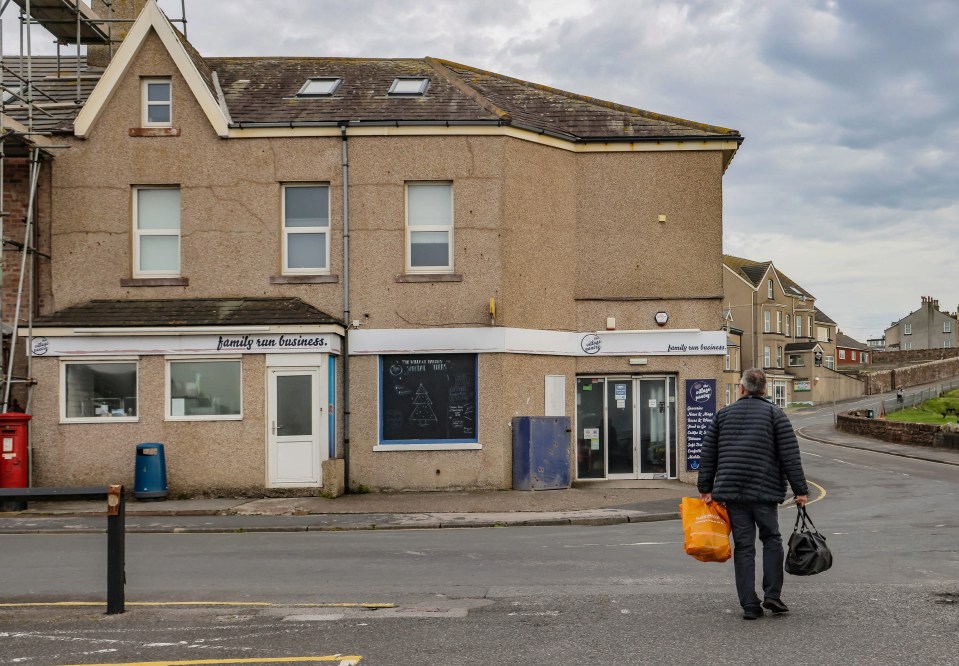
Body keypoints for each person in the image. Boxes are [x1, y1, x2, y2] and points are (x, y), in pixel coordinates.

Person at [697, 368, 809, 620]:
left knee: (744, 547)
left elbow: (708, 455)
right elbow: (790, 456)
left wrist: (705, 488)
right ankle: (772, 595)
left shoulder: (722, 416)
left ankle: (749, 604)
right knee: (771, 540)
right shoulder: (776, 415)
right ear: (765, 389)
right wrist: (800, 491)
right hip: (765, 492)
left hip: (733, 494)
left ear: (742, 388)